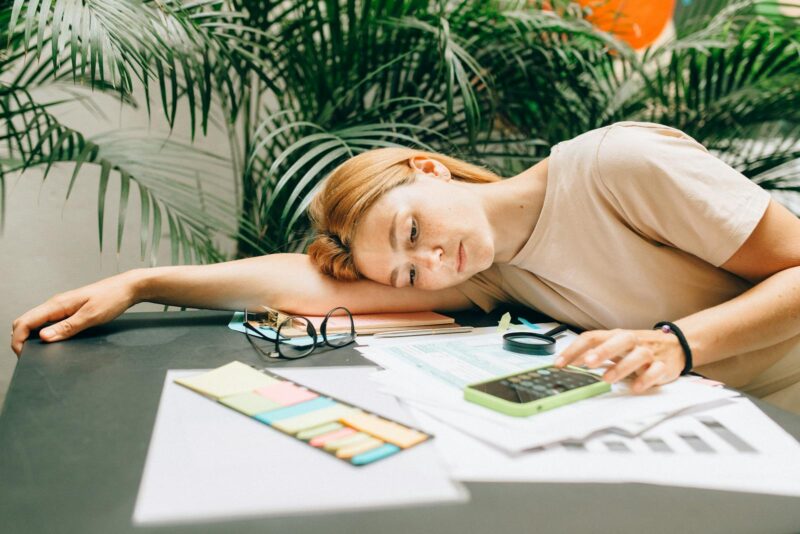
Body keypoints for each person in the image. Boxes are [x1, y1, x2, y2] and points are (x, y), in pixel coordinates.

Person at [11, 121, 800, 414]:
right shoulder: (495, 273)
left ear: (429, 168)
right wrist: (145, 282)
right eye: (410, 273)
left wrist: (677, 343)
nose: (430, 261)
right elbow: (296, 279)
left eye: (413, 228)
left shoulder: (617, 166)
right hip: (726, 428)